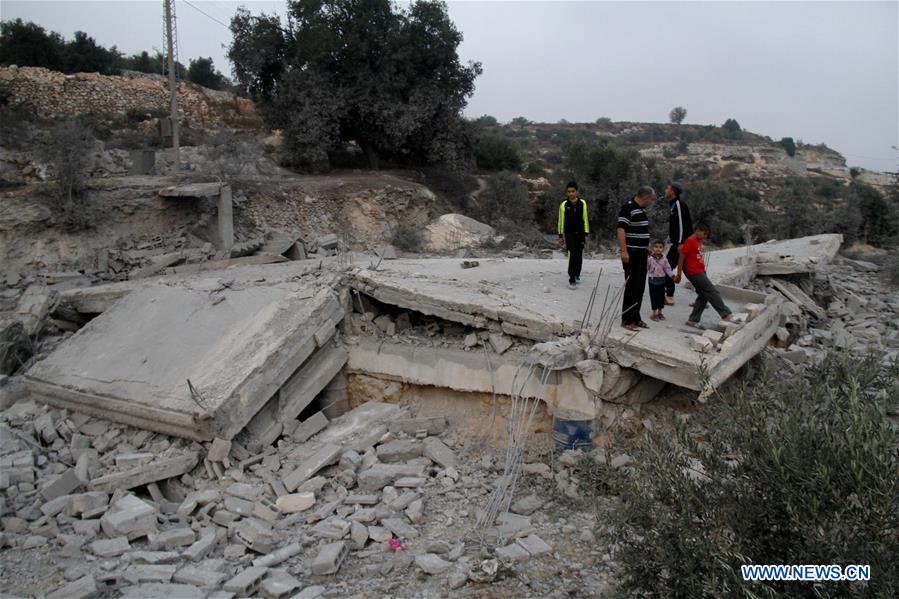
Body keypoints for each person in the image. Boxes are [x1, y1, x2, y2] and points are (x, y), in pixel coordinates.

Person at [674, 223, 733, 327]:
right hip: (694, 272)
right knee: (712, 291)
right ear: (697, 230)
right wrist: (678, 274)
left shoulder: (697, 241)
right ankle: (726, 314)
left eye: (707, 235)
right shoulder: (690, 240)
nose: (705, 237)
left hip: (700, 271)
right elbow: (682, 257)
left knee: (703, 294)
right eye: (704, 234)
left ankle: (693, 320)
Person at [617, 186, 656, 331]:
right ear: (645, 197)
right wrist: (624, 251)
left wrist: (645, 247)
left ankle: (636, 317)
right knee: (632, 286)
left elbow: (639, 231)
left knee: (639, 287)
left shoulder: (641, 210)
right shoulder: (628, 208)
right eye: (651, 199)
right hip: (631, 253)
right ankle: (627, 320)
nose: (651, 202)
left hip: (641, 253)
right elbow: (621, 229)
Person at [664, 182, 692, 305]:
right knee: (689, 271)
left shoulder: (678, 205)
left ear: (672, 192)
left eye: (667, 189)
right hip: (681, 244)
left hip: (680, 245)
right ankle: (703, 296)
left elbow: (682, 225)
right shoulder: (673, 205)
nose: (665, 190)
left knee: (667, 267)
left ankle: (669, 296)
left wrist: (680, 243)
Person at [557, 181, 590, 288]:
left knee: (579, 254)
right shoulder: (563, 205)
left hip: (580, 233)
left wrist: (586, 233)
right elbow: (560, 221)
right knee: (572, 253)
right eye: (568, 191)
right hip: (569, 233)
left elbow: (585, 219)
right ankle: (571, 279)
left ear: (577, 192)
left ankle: (577, 274)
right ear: (566, 192)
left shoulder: (583, 203)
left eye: (573, 191)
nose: (570, 193)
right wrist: (560, 236)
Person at [647, 239, 674, 321]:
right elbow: (646, 268)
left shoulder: (664, 259)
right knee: (654, 297)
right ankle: (654, 314)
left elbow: (668, 268)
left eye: (660, 247)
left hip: (662, 280)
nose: (658, 249)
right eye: (656, 247)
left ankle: (660, 312)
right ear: (652, 248)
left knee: (661, 297)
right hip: (652, 280)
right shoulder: (650, 259)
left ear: (663, 249)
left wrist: (672, 276)